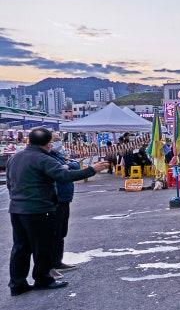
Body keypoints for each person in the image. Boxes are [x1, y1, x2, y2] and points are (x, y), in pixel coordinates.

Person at [7, 127, 108, 296]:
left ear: (28, 141)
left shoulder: (15, 158)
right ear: (47, 144)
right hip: (39, 209)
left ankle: (17, 284)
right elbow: (65, 176)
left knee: (20, 247)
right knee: (43, 246)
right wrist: (93, 170)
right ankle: (43, 279)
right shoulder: (43, 159)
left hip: (17, 209)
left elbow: (10, 183)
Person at [48, 133, 81, 278]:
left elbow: (75, 164)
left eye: (59, 140)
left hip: (65, 198)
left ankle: (57, 261)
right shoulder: (47, 158)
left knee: (61, 232)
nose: (58, 143)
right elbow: (62, 172)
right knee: (53, 233)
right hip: (55, 199)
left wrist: (67, 165)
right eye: (55, 140)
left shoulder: (58, 156)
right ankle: (49, 266)